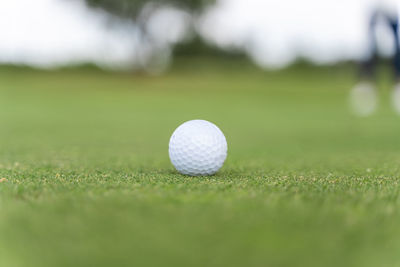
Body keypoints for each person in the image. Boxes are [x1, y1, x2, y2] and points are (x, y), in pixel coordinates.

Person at [350, 5, 400, 116]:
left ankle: (397, 79)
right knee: (371, 44)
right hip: (374, 8)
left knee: (394, 41)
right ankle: (368, 80)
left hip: (389, 8)